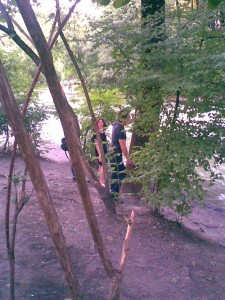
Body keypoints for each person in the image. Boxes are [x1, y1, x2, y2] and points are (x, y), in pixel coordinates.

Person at [110, 108, 133, 200]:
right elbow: (123, 147)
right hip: (116, 155)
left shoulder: (116, 124)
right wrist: (128, 158)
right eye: (129, 116)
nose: (130, 118)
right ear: (124, 118)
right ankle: (114, 195)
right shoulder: (121, 130)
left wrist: (137, 118)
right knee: (120, 174)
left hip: (112, 153)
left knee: (116, 173)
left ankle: (114, 193)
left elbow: (131, 121)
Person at [91, 117, 108, 186]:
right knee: (103, 166)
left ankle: (101, 180)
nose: (100, 123)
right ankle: (101, 182)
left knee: (101, 166)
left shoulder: (103, 131)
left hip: (104, 149)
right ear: (97, 124)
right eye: (99, 122)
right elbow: (96, 144)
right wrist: (100, 154)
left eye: (102, 122)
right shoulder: (96, 132)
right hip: (99, 151)